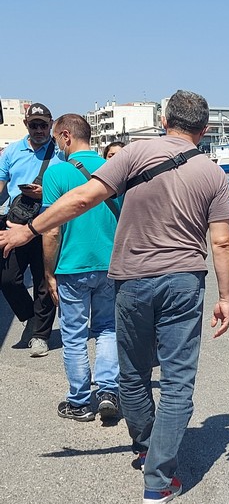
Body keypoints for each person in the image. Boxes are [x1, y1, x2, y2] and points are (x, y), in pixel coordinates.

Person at [0, 90, 229, 504]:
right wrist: (227, 297)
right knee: (178, 380)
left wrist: (28, 230)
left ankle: (146, 447)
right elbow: (222, 243)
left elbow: (81, 199)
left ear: (165, 121)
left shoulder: (136, 153)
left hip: (132, 280)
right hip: (184, 281)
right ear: (202, 129)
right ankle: (158, 479)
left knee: (133, 372)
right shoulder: (213, 174)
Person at [43, 114, 120, 422]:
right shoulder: (116, 169)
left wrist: (48, 272)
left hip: (71, 265)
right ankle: (108, 391)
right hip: (110, 263)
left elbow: (51, 230)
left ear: (66, 136)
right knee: (108, 328)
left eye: (55, 139)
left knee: (74, 334)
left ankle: (78, 401)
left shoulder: (56, 173)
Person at [0, 102, 59, 357]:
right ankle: (30, 317)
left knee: (44, 281)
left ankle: (40, 336)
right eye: (33, 125)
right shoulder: (12, 151)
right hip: (16, 223)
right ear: (26, 125)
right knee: (7, 278)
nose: (38, 130)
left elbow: (71, 187)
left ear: (51, 124)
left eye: (43, 125)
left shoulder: (60, 153)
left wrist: (44, 192)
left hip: (48, 224)